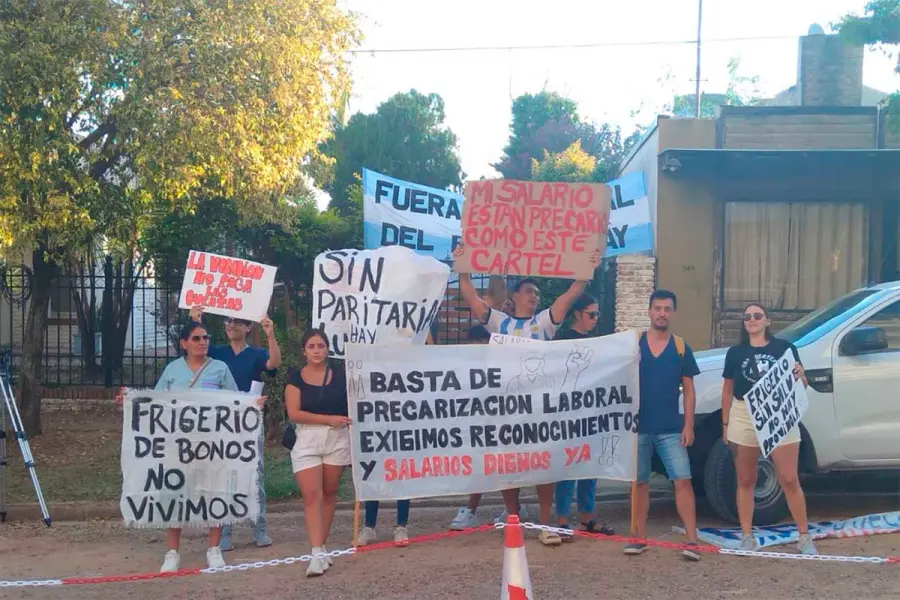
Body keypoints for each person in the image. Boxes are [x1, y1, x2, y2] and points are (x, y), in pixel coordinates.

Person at [452, 244, 599, 546]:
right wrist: (462, 264)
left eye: (537, 293)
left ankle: (546, 525)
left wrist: (585, 270)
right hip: (506, 408)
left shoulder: (543, 322)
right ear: (514, 296)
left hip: (539, 408)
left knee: (543, 465)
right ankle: (513, 518)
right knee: (509, 468)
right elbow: (468, 292)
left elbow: (570, 294)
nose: (535, 296)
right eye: (529, 291)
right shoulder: (498, 322)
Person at [722, 303, 817, 556]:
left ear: (767, 321)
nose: (752, 320)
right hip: (744, 414)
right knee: (745, 479)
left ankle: (804, 536)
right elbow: (727, 390)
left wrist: (801, 376)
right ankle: (747, 535)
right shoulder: (735, 353)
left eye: (757, 316)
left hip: (779, 414)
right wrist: (726, 423)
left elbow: (801, 386)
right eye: (747, 317)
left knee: (788, 478)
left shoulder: (785, 349)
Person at [189, 307, 282, 550]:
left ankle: (259, 527)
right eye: (228, 321)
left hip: (249, 422)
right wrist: (196, 322)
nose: (231, 325)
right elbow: (196, 352)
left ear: (248, 327)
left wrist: (270, 334)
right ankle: (225, 530)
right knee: (223, 476)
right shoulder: (218, 353)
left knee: (254, 473)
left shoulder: (256, 353)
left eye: (237, 322)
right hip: (221, 423)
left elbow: (274, 363)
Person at [155, 322, 239, 573]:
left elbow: (235, 400)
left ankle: (214, 549)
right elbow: (156, 401)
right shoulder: (172, 370)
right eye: (196, 338)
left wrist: (251, 403)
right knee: (174, 494)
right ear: (184, 343)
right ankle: (172, 553)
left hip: (212, 444)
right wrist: (129, 401)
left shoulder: (220, 369)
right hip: (179, 445)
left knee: (215, 493)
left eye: (206, 337)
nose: (203, 342)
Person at [625, 290, 702, 561]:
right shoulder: (633, 344)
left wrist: (688, 425)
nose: (662, 313)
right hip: (638, 428)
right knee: (639, 483)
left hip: (671, 427)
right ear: (649, 311)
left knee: (683, 481)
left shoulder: (681, 347)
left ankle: (692, 540)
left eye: (667, 309)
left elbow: (690, 390)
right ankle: (638, 537)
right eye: (657, 308)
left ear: (673, 313)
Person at [285, 329, 352, 577]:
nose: (316, 350)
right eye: (311, 346)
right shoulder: (295, 377)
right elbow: (294, 413)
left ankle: (322, 546)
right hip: (308, 438)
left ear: (327, 349)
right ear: (304, 350)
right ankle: (315, 552)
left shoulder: (340, 375)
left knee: (329, 493)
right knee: (312, 495)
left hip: (337, 438)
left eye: (321, 345)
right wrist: (328, 420)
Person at [448, 325, 526, 530]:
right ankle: (477, 510)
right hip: (480, 426)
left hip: (501, 424)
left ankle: (510, 512)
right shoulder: (467, 366)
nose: (472, 348)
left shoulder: (500, 365)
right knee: (481, 466)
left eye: (475, 344)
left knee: (505, 468)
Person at [553, 294, 615, 539]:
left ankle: (587, 516)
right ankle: (561, 519)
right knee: (567, 467)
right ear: (577, 313)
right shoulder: (561, 340)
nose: (595, 319)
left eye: (597, 314)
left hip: (590, 414)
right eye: (591, 314)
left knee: (590, 464)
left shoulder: (595, 342)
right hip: (568, 413)